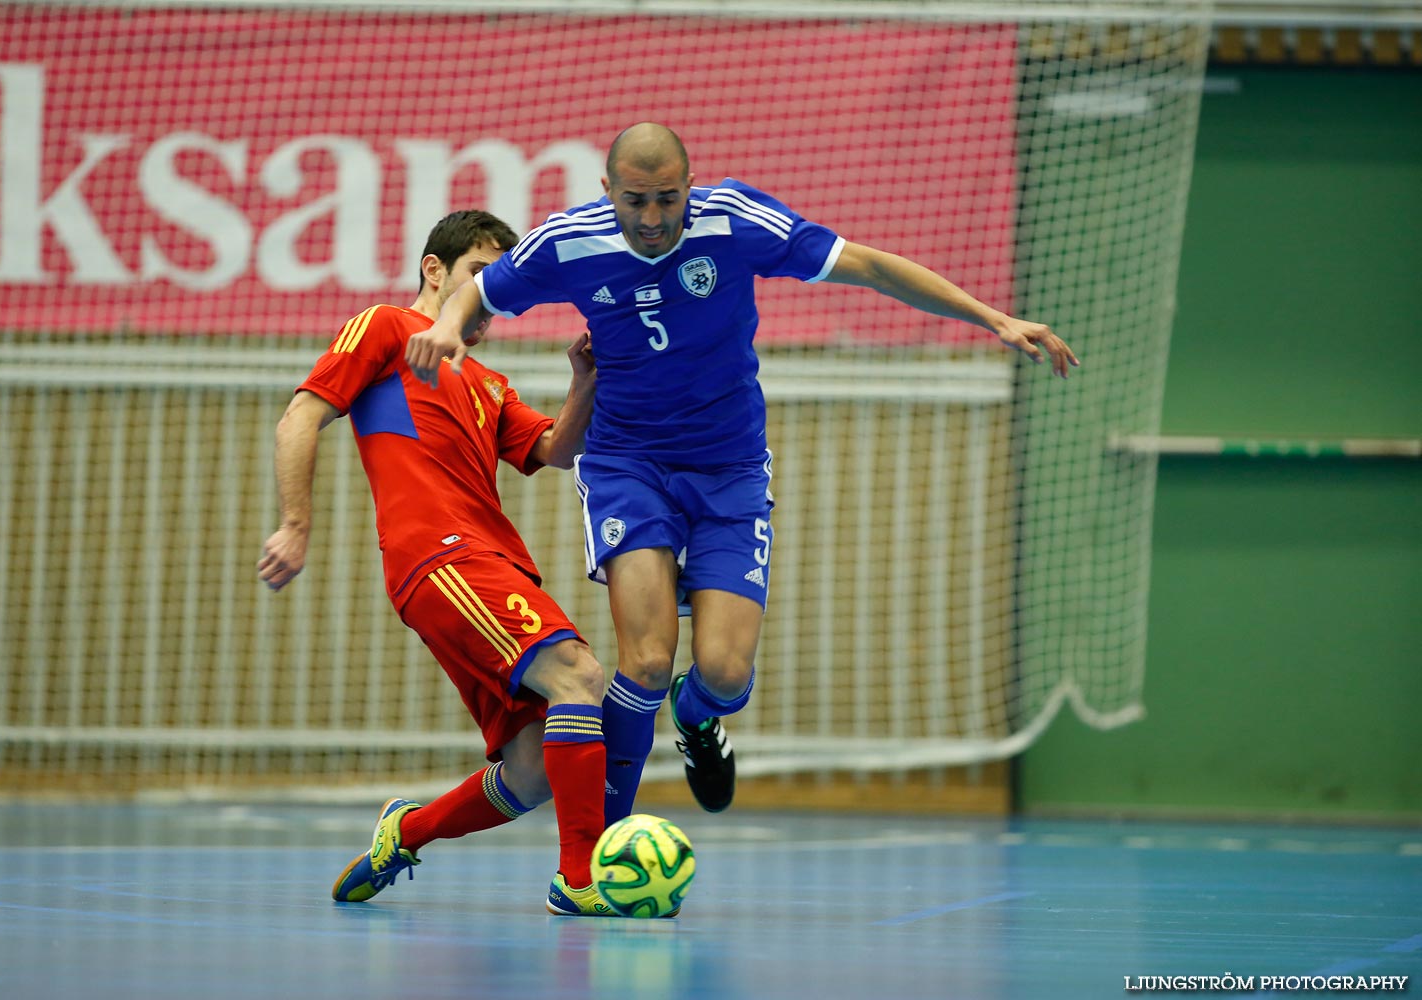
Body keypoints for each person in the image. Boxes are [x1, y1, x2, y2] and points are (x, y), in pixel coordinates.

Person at [405, 124, 1080, 822]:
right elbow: (479, 290)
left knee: (724, 672)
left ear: (690, 185)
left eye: (669, 198)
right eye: (636, 200)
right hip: (627, 464)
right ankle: (602, 846)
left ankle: (697, 720)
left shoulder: (734, 223)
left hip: (728, 468)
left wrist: (992, 318)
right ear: (607, 192)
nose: (654, 219)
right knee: (645, 661)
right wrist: (452, 326)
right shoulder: (569, 240)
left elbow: (871, 266)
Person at [258, 209, 629, 917]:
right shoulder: (388, 329)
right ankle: (580, 881)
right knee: (578, 673)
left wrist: (585, 382)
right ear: (435, 271)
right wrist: (296, 525)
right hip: (441, 559)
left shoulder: (489, 383)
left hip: (494, 566)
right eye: (478, 276)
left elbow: (554, 450)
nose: (489, 297)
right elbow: (300, 416)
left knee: (530, 771)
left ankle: (409, 831)